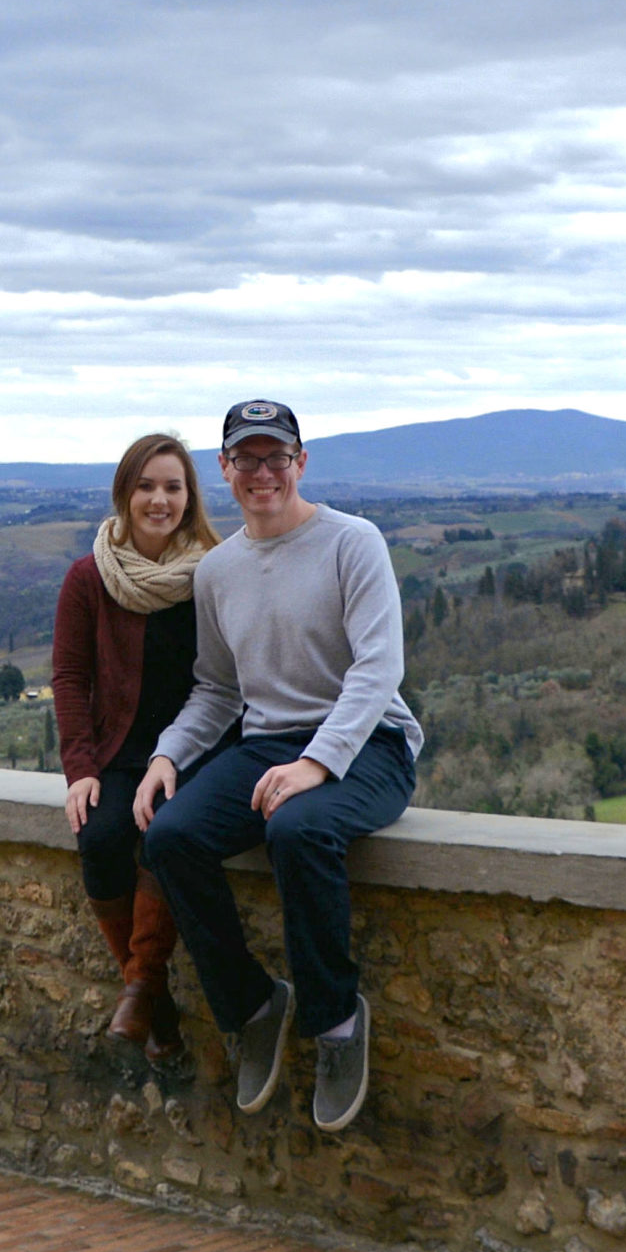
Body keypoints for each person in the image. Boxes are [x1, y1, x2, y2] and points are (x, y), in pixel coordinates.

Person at [135, 399, 420, 1132]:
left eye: (277, 456)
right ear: (224, 470)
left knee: (297, 830)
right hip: (267, 745)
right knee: (170, 836)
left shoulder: (352, 542)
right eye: (247, 458)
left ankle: (334, 1024)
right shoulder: (220, 570)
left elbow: (378, 668)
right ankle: (255, 1006)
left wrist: (320, 762)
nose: (263, 472)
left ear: (301, 461)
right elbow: (217, 687)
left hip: (369, 742)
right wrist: (168, 753)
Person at [52, 433, 219, 1063]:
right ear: (125, 493)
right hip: (119, 746)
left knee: (163, 835)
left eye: (172, 487)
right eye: (146, 485)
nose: (159, 499)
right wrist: (80, 768)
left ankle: (142, 988)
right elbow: (70, 676)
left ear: (189, 497)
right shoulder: (90, 577)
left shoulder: (212, 573)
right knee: (97, 837)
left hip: (195, 749)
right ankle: (153, 995)